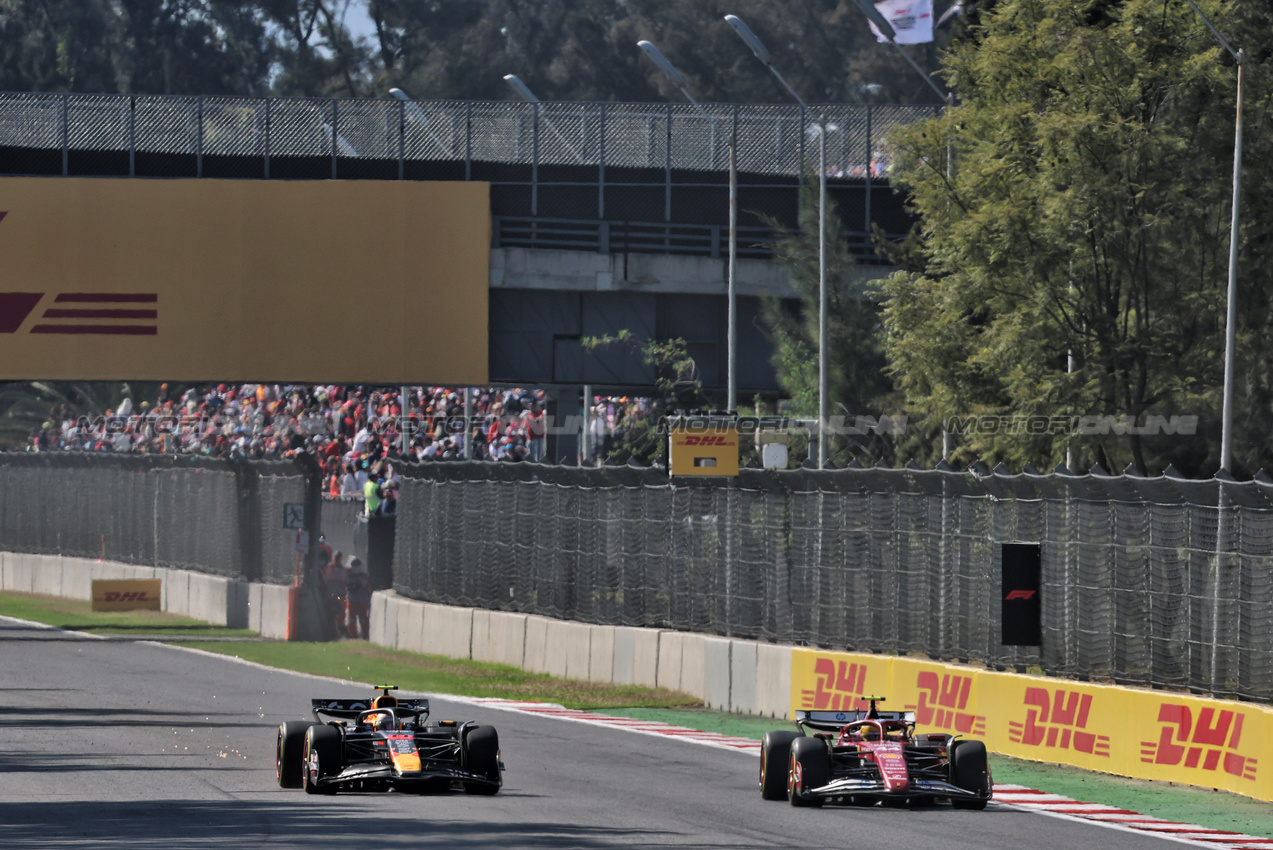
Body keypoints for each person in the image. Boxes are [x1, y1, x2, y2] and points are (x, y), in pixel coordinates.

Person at [321, 550, 349, 638]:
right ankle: (329, 630)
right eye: (335, 558)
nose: (337, 560)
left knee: (341, 613)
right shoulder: (327, 569)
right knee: (329, 613)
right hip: (330, 595)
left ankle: (340, 629)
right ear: (332, 558)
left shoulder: (344, 570)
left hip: (341, 595)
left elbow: (347, 582)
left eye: (339, 558)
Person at [345, 557, 372, 639]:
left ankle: (365, 635)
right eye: (354, 566)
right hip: (352, 601)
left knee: (363, 619)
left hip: (362, 601)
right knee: (351, 620)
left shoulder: (364, 576)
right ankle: (353, 635)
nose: (355, 568)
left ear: (360, 566)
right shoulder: (348, 575)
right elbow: (346, 586)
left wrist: (368, 599)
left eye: (357, 566)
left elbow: (368, 588)